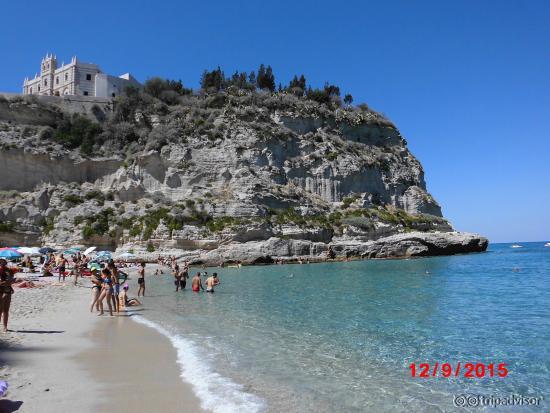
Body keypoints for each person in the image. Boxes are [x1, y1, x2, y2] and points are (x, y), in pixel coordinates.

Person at [0, 259, 15, 332]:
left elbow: (12, 280)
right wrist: (7, 282)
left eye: (3, 262)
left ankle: (5, 326)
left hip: (7, 290)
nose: (2, 263)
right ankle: (4, 326)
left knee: (6, 309)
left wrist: (9, 283)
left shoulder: (8, 270)